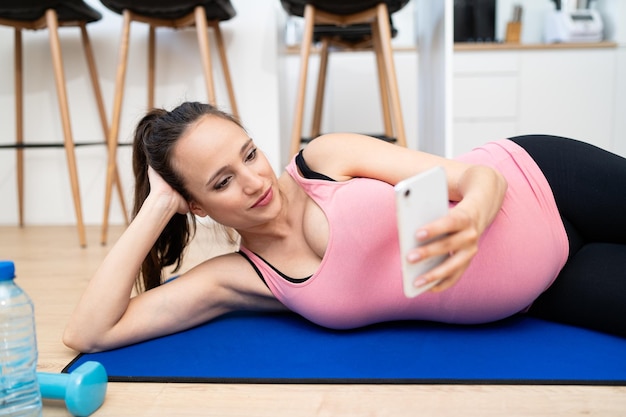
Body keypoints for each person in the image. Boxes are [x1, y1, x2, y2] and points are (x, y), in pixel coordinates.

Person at [63, 102, 626, 353]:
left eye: (250, 153)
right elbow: (90, 333)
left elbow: (477, 178)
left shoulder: (323, 158)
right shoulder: (242, 278)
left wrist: (473, 217)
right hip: (545, 290)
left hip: (541, 180)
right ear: (197, 206)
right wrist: (157, 205)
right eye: (221, 182)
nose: (255, 181)